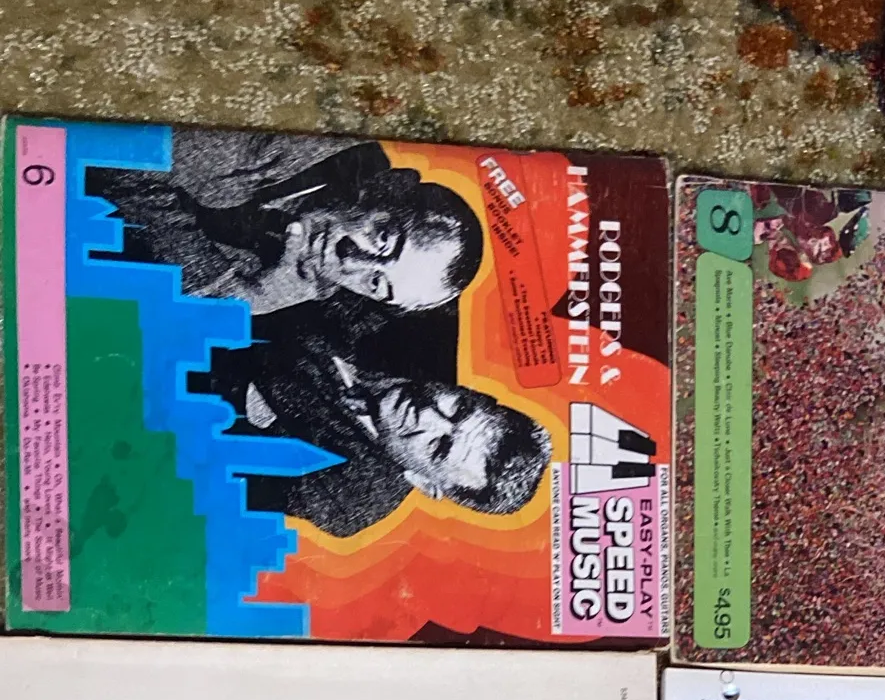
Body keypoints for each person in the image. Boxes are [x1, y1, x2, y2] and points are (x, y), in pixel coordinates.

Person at [200, 305, 552, 535]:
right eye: (459, 409)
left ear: (422, 482)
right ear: (478, 394)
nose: (428, 414)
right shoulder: (426, 321)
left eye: (439, 447)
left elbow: (203, 467)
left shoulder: (347, 500)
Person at [86, 129, 485, 317]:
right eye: (382, 238)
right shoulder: (290, 146)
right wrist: (236, 293)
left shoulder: (301, 282)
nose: (350, 259)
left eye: (376, 284)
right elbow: (124, 156)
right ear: (388, 188)